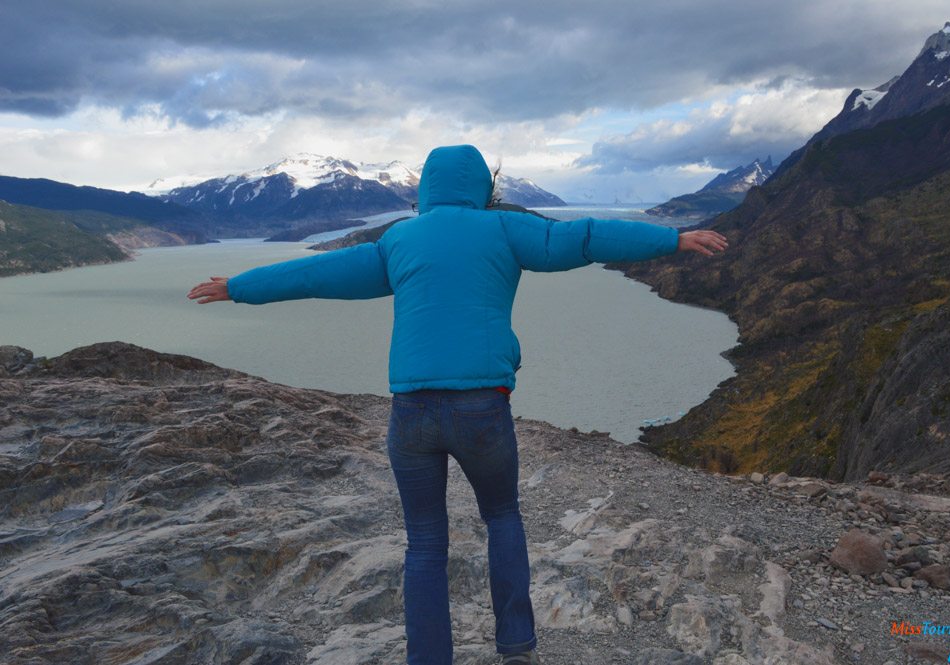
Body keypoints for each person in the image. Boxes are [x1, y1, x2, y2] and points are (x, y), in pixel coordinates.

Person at [187, 144, 728, 665]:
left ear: (425, 188)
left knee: (424, 543)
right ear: (483, 187)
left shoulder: (398, 240)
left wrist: (240, 286)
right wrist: (671, 240)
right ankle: (516, 648)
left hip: (412, 416)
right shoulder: (506, 228)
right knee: (501, 516)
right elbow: (585, 237)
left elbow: (314, 275)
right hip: (481, 410)